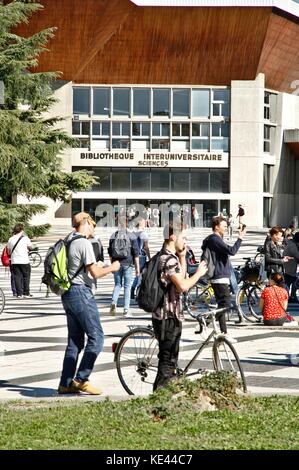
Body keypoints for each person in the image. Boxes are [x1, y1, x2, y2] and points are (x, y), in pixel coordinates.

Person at [58, 212, 120, 395]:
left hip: (67, 293)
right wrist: (112, 268)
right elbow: (95, 273)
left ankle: (65, 383)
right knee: (97, 337)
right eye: (92, 224)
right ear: (86, 223)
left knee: (75, 341)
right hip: (80, 292)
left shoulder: (68, 240)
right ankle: (81, 379)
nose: (94, 228)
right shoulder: (84, 243)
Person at [152, 222, 207, 391]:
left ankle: (165, 391)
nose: (186, 240)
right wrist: (198, 274)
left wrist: (182, 257)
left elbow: (180, 278)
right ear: (172, 237)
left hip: (171, 314)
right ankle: (160, 394)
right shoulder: (167, 260)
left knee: (170, 357)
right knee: (167, 359)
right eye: (183, 237)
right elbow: (182, 286)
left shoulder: (170, 257)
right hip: (167, 315)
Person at [201, 216, 246, 340]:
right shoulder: (215, 239)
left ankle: (218, 330)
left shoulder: (217, 239)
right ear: (216, 226)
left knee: (223, 304)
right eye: (224, 225)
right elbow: (231, 251)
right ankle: (218, 329)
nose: (226, 227)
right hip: (218, 276)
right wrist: (240, 239)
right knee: (225, 304)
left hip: (221, 275)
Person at [108, 217, 140, 317]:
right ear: (127, 224)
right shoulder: (131, 236)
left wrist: (111, 264)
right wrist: (137, 268)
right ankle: (126, 309)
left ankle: (114, 302)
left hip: (116, 264)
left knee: (117, 285)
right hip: (128, 264)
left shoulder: (113, 235)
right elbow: (136, 253)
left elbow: (110, 252)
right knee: (127, 286)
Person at [7, 224, 32, 299]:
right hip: (24, 260)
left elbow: (8, 252)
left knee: (17, 277)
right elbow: (31, 247)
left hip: (14, 261)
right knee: (26, 277)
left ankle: (19, 294)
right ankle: (26, 293)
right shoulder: (26, 238)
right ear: (21, 230)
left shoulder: (10, 239)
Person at [131, 218, 151, 300]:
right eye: (144, 222)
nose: (145, 223)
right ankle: (137, 292)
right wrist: (149, 257)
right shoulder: (144, 234)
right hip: (141, 256)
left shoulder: (132, 233)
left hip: (134, 256)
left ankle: (133, 290)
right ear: (141, 223)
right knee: (140, 274)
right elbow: (146, 247)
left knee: (137, 273)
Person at [283, 232, 299, 302]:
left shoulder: (293, 243)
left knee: (292, 280)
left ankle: (291, 296)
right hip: (289, 266)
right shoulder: (292, 245)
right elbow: (297, 255)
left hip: (290, 265)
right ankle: (288, 297)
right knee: (289, 281)